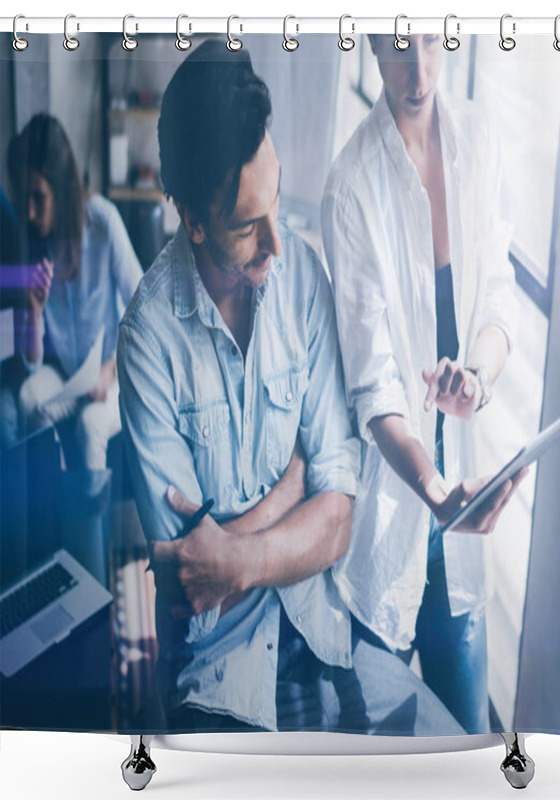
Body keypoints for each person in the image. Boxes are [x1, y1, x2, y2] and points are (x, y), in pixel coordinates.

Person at [117, 40, 462, 736]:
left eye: (275, 199)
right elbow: (191, 581)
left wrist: (238, 552)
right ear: (193, 220)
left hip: (327, 628)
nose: (280, 241)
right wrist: (295, 483)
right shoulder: (146, 338)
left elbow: (338, 520)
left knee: (453, 753)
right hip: (216, 676)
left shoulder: (301, 276)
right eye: (248, 225)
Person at [322, 34, 525, 734]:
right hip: (396, 504)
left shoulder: (479, 140)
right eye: (401, 48)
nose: (420, 71)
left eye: (434, 43)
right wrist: (437, 495)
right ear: (373, 43)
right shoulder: (352, 184)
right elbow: (373, 383)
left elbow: (499, 295)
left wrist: (479, 377)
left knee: (469, 736)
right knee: (372, 741)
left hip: (461, 494)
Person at [6, 114, 143, 470]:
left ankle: (85, 520)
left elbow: (146, 311)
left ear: (62, 188)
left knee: (90, 426)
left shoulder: (103, 222)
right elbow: (32, 362)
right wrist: (34, 311)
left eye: (39, 197)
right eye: (25, 199)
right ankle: (58, 496)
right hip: (66, 377)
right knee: (27, 399)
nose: (31, 213)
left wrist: (110, 369)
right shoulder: (34, 245)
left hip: (110, 376)